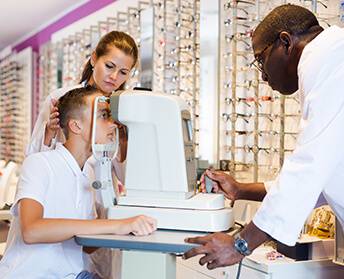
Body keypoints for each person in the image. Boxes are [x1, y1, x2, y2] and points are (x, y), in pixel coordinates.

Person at [183, 4, 344, 269]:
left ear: (285, 42)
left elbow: (309, 166)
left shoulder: (330, 60)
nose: (262, 75)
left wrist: (240, 244)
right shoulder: (327, 60)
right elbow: (326, 176)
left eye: (261, 58)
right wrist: (241, 189)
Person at [0, 86, 157, 278]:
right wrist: (118, 225)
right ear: (76, 126)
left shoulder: (88, 173)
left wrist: (126, 218)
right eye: (103, 115)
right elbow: (32, 230)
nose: (114, 124)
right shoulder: (39, 163)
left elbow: (87, 247)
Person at [27, 30, 138, 184]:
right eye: (109, 66)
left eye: (123, 72)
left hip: (101, 200)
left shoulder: (123, 111)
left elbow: (128, 179)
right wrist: (49, 132)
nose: (114, 77)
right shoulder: (60, 98)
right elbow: (33, 161)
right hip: (63, 193)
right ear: (94, 59)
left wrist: (123, 139)